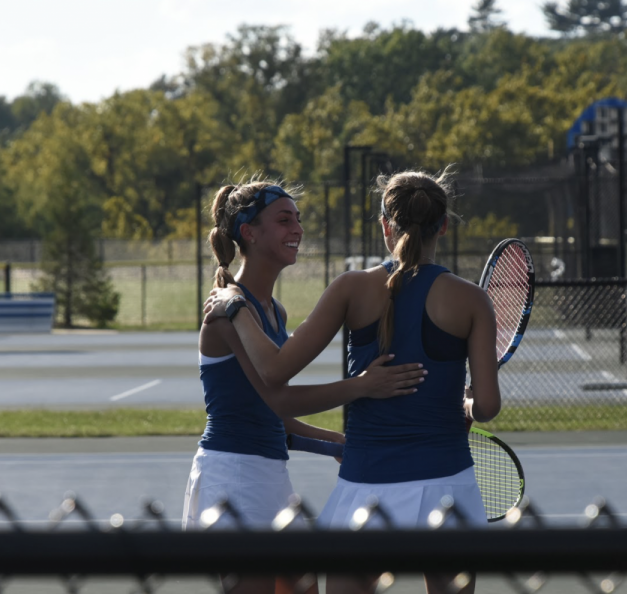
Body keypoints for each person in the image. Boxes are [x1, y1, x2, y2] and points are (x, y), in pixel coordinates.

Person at [204, 169, 502, 594]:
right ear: (444, 226)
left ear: (385, 226)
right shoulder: (473, 299)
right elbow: (488, 406)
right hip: (448, 486)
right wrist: (466, 405)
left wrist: (234, 305)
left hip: (367, 488)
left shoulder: (350, 288)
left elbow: (275, 376)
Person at [186, 180, 426, 594]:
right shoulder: (227, 311)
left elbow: (274, 419)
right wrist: (363, 386)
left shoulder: (272, 310)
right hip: (233, 477)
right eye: (284, 220)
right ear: (249, 232)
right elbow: (278, 395)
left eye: (298, 219)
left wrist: (336, 443)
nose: (297, 228)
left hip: (268, 474)